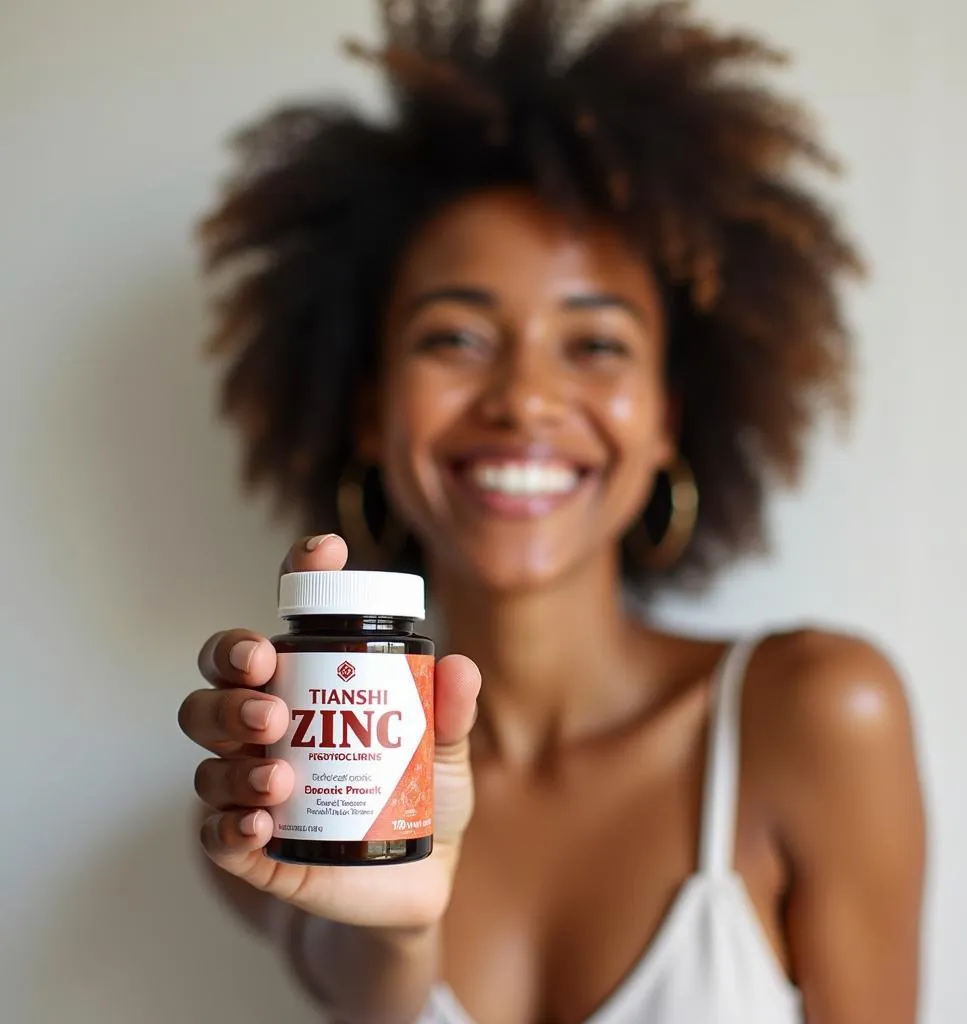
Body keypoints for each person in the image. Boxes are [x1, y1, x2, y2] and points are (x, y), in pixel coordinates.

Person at [178, 2, 926, 1021]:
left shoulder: (815, 714)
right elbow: (369, 993)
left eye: (595, 344)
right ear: (368, 410)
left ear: (666, 417)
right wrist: (399, 925)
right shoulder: (281, 778)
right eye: (456, 338)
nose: (524, 399)